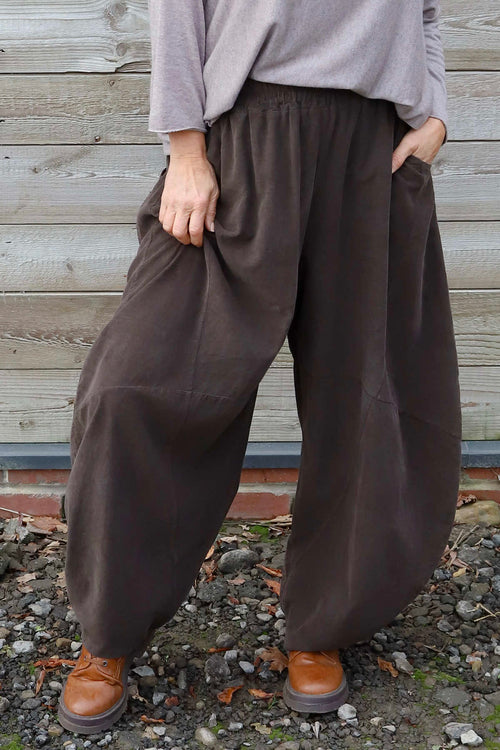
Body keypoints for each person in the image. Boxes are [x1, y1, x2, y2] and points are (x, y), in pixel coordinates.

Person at [57, 0, 462, 734]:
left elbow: (426, 14)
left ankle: (323, 624)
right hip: (245, 139)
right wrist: (186, 149)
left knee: (366, 400)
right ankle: (108, 631)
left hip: (374, 153)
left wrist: (433, 115)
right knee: (133, 385)